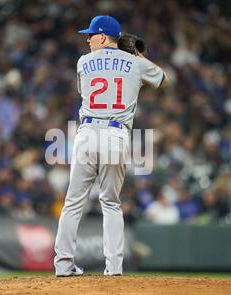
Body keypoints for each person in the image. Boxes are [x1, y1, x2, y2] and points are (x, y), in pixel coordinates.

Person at [54, 15, 169, 276]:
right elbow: (164, 79)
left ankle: (63, 267)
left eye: (92, 34)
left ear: (103, 37)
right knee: (111, 203)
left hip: (87, 133)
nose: (88, 39)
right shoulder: (135, 63)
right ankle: (114, 270)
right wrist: (138, 58)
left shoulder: (83, 62)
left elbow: (84, 91)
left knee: (73, 202)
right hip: (116, 135)